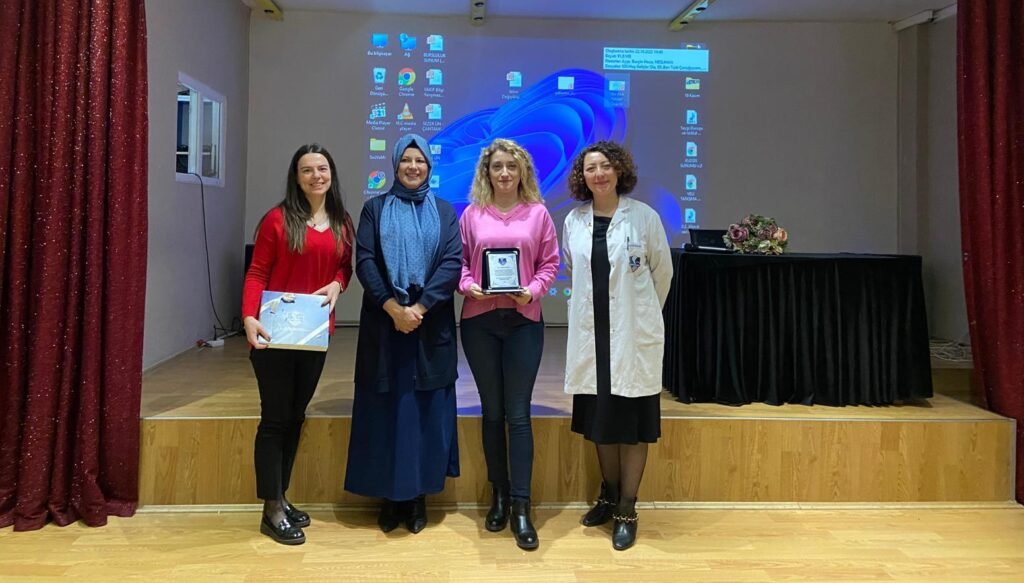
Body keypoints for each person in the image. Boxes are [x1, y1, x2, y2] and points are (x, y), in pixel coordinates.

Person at [345, 134, 462, 534]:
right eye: (406, 160)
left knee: (422, 412)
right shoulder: (374, 209)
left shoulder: (444, 211)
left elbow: (452, 262)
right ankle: (388, 497)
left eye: (420, 161)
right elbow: (365, 261)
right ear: (395, 165)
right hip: (386, 323)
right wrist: (393, 308)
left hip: (429, 325)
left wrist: (420, 308)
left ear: (429, 166)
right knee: (386, 410)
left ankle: (416, 497)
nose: (413, 166)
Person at [562, 141, 673, 551]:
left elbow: (662, 273)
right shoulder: (574, 220)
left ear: (619, 170)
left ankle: (628, 508)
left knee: (632, 428)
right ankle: (608, 497)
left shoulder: (643, 217)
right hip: (593, 338)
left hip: (632, 338)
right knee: (601, 424)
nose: (599, 174)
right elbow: (573, 268)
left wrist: (641, 314)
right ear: (583, 177)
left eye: (606, 166)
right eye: (591, 168)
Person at [242, 143, 354, 545]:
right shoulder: (277, 220)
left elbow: (345, 268)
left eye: (322, 168)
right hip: (274, 334)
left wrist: (338, 284)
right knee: (275, 420)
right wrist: (249, 316)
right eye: (307, 170)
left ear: (331, 174)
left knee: (295, 417)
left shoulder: (342, 222)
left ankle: (281, 496)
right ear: (296, 177)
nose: (316, 176)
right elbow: (257, 272)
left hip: (313, 335)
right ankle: (270, 510)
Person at [458, 139, 560, 550]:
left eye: (511, 167)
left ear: (523, 173)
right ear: (486, 172)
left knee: (517, 415)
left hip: (523, 322)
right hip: (479, 322)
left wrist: (531, 291)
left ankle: (521, 505)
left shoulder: (538, 213)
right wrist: (468, 285)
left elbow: (550, 263)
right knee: (491, 412)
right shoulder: (472, 214)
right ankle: (498, 496)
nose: (504, 173)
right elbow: (460, 264)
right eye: (497, 166)